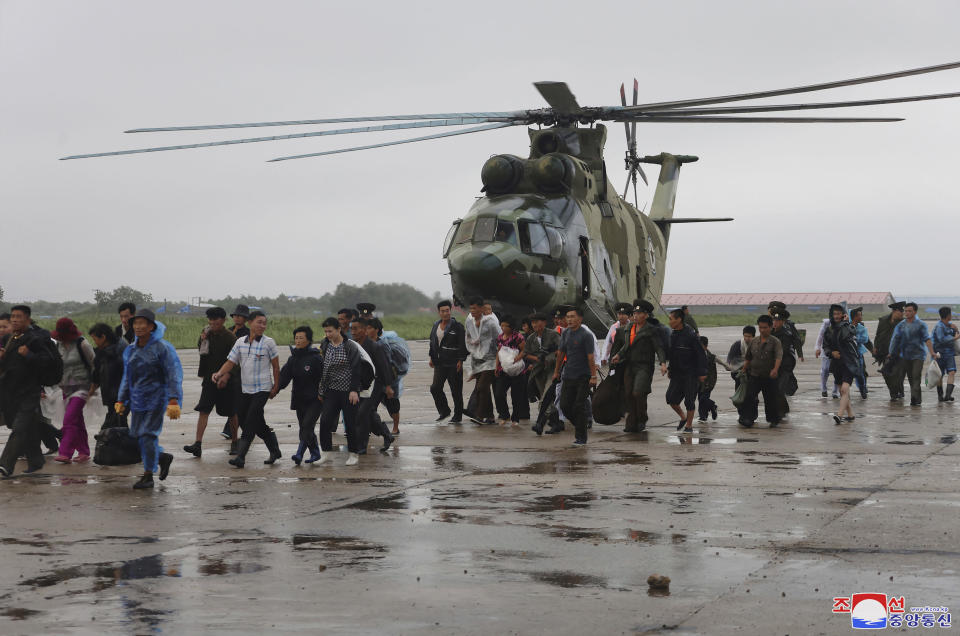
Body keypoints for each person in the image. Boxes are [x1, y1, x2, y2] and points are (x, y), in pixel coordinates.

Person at [115, 308, 179, 489]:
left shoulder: (161, 349)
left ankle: (148, 475)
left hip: (156, 399)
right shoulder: (131, 350)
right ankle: (162, 458)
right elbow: (127, 377)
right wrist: (121, 399)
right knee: (136, 436)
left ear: (151, 326)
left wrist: (173, 399)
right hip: (137, 400)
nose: (139, 326)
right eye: (136, 323)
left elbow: (171, 374)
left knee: (147, 435)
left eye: (143, 323)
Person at [213, 311, 282, 468]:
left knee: (251, 420)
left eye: (264, 323)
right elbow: (230, 362)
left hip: (262, 389)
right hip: (245, 389)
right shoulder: (240, 342)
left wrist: (275, 387)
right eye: (259, 322)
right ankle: (274, 450)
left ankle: (241, 456)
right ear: (250, 323)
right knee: (252, 422)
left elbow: (276, 367)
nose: (262, 325)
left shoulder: (269, 343)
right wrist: (219, 373)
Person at [0, 305, 53, 477]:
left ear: (27, 319)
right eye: (13, 316)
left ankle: (5, 464)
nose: (15, 319)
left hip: (29, 392)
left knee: (19, 428)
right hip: (11, 393)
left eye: (19, 317)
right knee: (28, 427)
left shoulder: (34, 339)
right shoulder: (10, 338)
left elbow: (47, 361)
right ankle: (36, 460)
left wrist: (29, 355)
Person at [184, 307, 239, 458]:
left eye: (216, 319)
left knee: (231, 412)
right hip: (210, 378)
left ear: (223, 320)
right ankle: (197, 444)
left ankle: (235, 441)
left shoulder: (230, 338)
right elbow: (201, 351)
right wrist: (202, 339)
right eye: (211, 319)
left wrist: (226, 376)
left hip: (227, 380)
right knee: (204, 410)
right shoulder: (206, 333)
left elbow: (236, 360)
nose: (213, 322)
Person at [316, 317, 367, 466]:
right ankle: (325, 452)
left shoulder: (350, 346)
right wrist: (321, 390)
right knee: (325, 422)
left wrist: (354, 390)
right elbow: (323, 367)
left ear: (339, 329)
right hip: (331, 390)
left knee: (350, 424)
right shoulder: (325, 344)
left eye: (330, 331)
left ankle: (354, 453)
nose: (328, 334)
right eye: (325, 331)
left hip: (348, 391)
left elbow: (357, 368)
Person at [610, 300, 666, 433]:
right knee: (628, 394)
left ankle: (641, 418)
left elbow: (658, 347)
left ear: (646, 315)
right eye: (634, 313)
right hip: (630, 365)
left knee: (638, 392)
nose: (635, 316)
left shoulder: (651, 330)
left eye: (639, 313)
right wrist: (618, 355)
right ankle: (632, 421)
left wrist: (663, 363)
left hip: (644, 367)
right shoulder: (629, 328)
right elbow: (627, 345)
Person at [50, 318, 96, 463]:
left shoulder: (83, 344)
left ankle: (65, 452)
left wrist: (94, 387)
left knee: (69, 419)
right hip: (66, 388)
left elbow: (95, 364)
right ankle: (84, 452)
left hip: (83, 387)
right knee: (77, 420)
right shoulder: (58, 346)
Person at [277, 325, 324, 465]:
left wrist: (324, 394)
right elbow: (283, 378)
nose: (298, 341)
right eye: (296, 338)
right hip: (299, 399)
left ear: (308, 340)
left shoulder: (316, 358)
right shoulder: (293, 359)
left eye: (301, 338)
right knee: (304, 428)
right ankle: (314, 453)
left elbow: (325, 377)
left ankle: (301, 453)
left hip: (316, 400)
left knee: (307, 426)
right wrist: (273, 390)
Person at [555, 307, 597, 445]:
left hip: (583, 376)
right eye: (568, 317)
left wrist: (593, 376)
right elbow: (561, 353)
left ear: (580, 319)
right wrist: (556, 371)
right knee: (565, 405)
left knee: (579, 406)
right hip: (568, 375)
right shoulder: (566, 333)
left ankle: (581, 437)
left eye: (572, 317)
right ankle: (581, 424)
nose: (569, 319)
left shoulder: (586, 335)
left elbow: (591, 357)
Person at [353, 317, 396, 452]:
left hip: (374, 386)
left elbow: (384, 367)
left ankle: (361, 446)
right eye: (351, 329)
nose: (352, 332)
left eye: (356, 328)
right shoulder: (352, 346)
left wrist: (388, 386)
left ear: (365, 330)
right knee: (368, 413)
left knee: (362, 413)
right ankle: (386, 434)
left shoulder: (374, 346)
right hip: (359, 385)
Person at [665, 308, 707, 433]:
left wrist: (702, 372)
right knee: (670, 398)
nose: (669, 322)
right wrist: (669, 369)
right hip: (677, 373)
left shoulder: (690, 335)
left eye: (671, 319)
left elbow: (701, 354)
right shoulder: (673, 334)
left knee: (689, 400)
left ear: (679, 320)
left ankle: (689, 425)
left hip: (690, 373)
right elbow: (672, 355)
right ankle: (683, 418)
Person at [887, 302, 936, 406]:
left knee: (916, 376)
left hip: (918, 355)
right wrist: (891, 352)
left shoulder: (921, 325)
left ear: (915, 312)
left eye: (910, 311)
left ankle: (915, 399)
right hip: (905, 355)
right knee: (910, 378)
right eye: (905, 311)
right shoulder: (901, 325)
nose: (907, 313)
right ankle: (915, 397)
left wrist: (932, 352)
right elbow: (895, 339)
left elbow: (927, 339)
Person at [739, 315, 783, 428]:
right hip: (754, 375)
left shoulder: (775, 342)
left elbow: (778, 357)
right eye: (760, 327)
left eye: (765, 327)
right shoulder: (754, 341)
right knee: (749, 396)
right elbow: (748, 357)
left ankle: (773, 420)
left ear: (770, 327)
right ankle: (748, 418)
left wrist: (775, 369)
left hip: (769, 376)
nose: (762, 330)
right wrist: (744, 369)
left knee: (770, 399)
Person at [428, 300, 467, 424]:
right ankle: (444, 411)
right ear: (439, 312)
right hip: (439, 363)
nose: (445, 313)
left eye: (447, 311)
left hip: (453, 363)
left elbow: (462, 345)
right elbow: (433, 342)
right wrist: (431, 357)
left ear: (451, 311)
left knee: (456, 391)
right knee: (435, 388)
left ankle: (458, 415)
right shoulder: (436, 325)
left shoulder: (458, 326)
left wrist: (461, 360)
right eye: (443, 311)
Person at [366, 318, 405, 437]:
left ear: (376, 330)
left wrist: (389, 384)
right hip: (375, 381)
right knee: (371, 407)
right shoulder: (366, 344)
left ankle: (395, 428)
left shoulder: (382, 344)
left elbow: (388, 363)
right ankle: (371, 427)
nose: (366, 331)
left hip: (387, 379)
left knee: (393, 405)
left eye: (369, 328)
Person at [464, 297, 501, 425]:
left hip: (491, 359)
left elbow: (500, 339)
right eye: (471, 308)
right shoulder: (469, 322)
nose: (472, 311)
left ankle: (479, 416)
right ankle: (490, 416)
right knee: (482, 389)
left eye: (475, 308)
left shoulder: (490, 323)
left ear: (481, 308)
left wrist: (499, 359)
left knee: (482, 387)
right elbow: (467, 339)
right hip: (478, 360)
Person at [821, 304, 859, 424]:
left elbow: (852, 333)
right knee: (843, 392)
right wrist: (831, 353)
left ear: (843, 314)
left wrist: (846, 323)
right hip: (836, 364)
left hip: (849, 362)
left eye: (839, 313)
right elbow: (825, 346)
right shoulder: (829, 330)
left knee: (844, 389)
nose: (836, 316)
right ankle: (851, 414)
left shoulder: (848, 327)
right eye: (834, 314)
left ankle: (839, 415)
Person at [525, 312, 561, 435]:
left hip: (552, 370)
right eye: (533, 323)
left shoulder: (553, 334)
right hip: (538, 372)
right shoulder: (531, 338)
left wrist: (549, 357)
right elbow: (526, 353)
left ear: (544, 323)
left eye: (537, 322)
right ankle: (556, 423)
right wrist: (536, 359)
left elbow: (561, 350)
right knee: (546, 399)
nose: (535, 324)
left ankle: (540, 423)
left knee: (544, 399)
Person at [88, 323, 127, 430]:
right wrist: (89, 393)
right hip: (110, 398)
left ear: (103, 337)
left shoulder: (119, 351)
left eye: (95, 339)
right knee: (119, 425)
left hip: (121, 397)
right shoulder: (100, 354)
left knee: (111, 427)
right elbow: (96, 376)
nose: (94, 342)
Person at [221, 304, 250, 439]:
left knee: (238, 402)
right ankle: (247, 428)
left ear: (245, 318)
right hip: (228, 369)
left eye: (240, 316)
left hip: (241, 371)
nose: (237, 318)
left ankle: (229, 430)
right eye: (235, 316)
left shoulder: (247, 334)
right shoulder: (228, 330)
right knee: (234, 402)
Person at [493, 315, 528, 426]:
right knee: (499, 393)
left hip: (517, 371)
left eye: (505, 326)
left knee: (516, 396)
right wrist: (497, 366)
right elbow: (499, 352)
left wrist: (516, 359)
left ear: (511, 326)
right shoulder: (500, 337)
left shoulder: (518, 337)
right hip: (504, 370)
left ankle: (515, 419)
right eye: (501, 325)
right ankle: (504, 415)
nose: (503, 328)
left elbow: (524, 350)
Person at [771, 310, 802, 414]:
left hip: (785, 365)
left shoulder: (786, 334)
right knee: (775, 389)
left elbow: (781, 352)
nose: (775, 322)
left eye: (778, 320)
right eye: (774, 320)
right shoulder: (771, 332)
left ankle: (780, 411)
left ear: (783, 322)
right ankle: (783, 409)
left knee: (780, 389)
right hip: (774, 365)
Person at [873, 301, 906, 400]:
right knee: (886, 373)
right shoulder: (883, 320)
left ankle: (899, 390)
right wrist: (875, 347)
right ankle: (893, 392)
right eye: (901, 312)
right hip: (884, 352)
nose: (903, 314)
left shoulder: (903, 323)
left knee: (897, 374)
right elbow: (878, 335)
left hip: (898, 353)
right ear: (895, 311)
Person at [698, 336, 733, 422]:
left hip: (709, 381)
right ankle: (703, 416)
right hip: (698, 381)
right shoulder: (695, 356)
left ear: (705, 346)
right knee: (700, 399)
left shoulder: (711, 357)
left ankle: (713, 406)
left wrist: (728, 367)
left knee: (703, 398)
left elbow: (721, 362)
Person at [932, 306, 959, 402]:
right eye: (950, 314)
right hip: (939, 354)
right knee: (940, 375)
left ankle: (948, 395)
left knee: (952, 372)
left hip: (949, 353)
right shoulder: (939, 326)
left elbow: (956, 334)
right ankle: (940, 396)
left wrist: (956, 329)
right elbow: (941, 339)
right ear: (948, 315)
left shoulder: (950, 325)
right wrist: (955, 338)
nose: (951, 316)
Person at [849, 307, 873, 399]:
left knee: (860, 373)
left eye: (861, 315)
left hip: (858, 353)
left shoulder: (862, 328)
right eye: (859, 315)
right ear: (854, 317)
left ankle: (862, 388)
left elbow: (865, 339)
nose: (861, 316)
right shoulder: (846, 326)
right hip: (848, 353)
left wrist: (854, 338)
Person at [814, 317, 839, 399]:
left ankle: (835, 391)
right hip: (827, 349)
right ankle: (823, 388)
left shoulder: (844, 322)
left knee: (837, 372)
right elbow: (820, 336)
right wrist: (817, 348)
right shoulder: (827, 323)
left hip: (839, 351)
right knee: (825, 369)